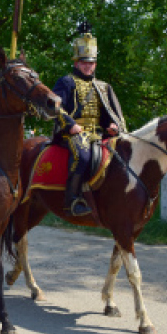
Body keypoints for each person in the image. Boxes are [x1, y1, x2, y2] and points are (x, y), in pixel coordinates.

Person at [52, 20, 127, 217]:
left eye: (91, 63)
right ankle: (72, 200)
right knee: (83, 155)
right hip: (73, 134)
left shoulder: (103, 87)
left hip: (98, 134)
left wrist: (113, 126)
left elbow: (112, 114)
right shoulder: (66, 82)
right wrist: (70, 125)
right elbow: (56, 107)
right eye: (84, 63)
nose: (88, 67)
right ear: (76, 62)